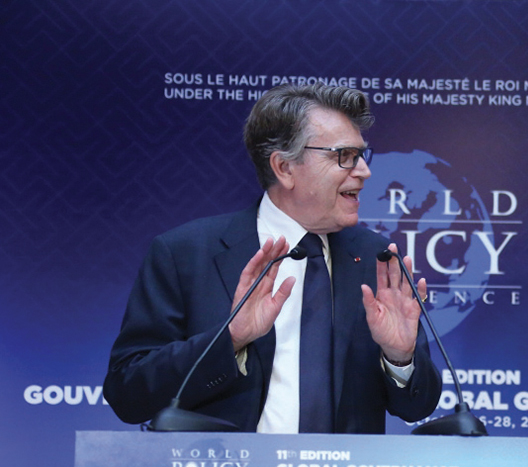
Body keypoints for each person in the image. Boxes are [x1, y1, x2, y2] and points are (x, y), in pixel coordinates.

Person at [104, 83, 442, 433]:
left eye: (361, 155)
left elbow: (418, 406)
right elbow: (127, 393)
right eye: (344, 155)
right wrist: (230, 340)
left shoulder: (377, 260)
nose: (363, 171)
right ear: (284, 167)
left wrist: (400, 357)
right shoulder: (186, 254)